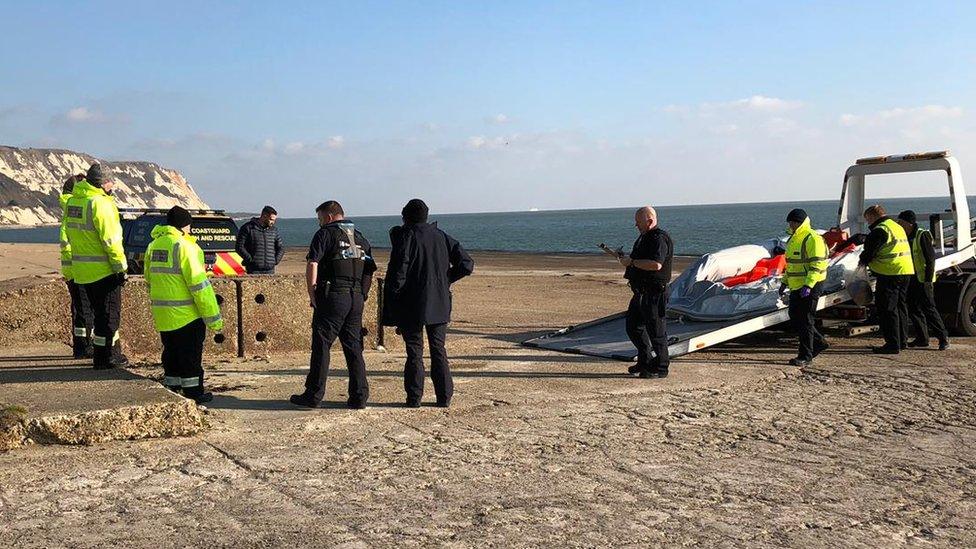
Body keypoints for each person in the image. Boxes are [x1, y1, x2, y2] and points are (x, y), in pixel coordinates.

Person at [384, 199, 473, 408]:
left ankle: (414, 397)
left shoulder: (406, 236)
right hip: (439, 302)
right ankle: (444, 396)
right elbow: (466, 264)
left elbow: (399, 272)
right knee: (438, 349)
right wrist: (445, 280)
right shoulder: (441, 236)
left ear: (406, 216)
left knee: (414, 352)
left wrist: (393, 300)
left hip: (411, 303)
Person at [290, 201, 376, 409]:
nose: (319, 223)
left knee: (321, 344)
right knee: (353, 346)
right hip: (355, 297)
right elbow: (369, 269)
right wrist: (362, 294)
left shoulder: (325, 234)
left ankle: (313, 394)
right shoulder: (360, 237)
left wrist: (312, 293)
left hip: (333, 295)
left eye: (319, 218)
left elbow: (313, 263)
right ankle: (359, 396)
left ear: (328, 217)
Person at [145, 206, 224, 404]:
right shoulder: (186, 247)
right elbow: (199, 287)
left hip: (163, 313)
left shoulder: (153, 246)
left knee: (170, 353)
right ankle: (194, 393)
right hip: (187, 314)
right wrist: (214, 319)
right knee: (190, 356)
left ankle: (172, 388)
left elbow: (149, 278)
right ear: (185, 225)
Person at [63, 164, 129, 369]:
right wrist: (121, 269)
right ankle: (107, 357)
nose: (113, 185)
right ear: (103, 183)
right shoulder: (101, 204)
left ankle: (101, 357)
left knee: (98, 317)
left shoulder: (74, 202)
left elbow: (71, 235)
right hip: (103, 271)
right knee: (109, 318)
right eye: (111, 182)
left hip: (82, 271)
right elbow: (111, 241)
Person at [621, 206, 674, 378]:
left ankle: (661, 367)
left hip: (654, 292)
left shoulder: (659, 238)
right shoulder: (644, 237)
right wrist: (627, 260)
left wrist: (632, 262)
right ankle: (645, 359)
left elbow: (656, 264)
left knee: (656, 331)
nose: (636, 226)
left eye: (638, 222)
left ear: (649, 221)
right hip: (641, 292)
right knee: (633, 327)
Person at [859, 204, 915, 354]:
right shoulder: (896, 227)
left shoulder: (880, 230)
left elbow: (869, 254)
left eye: (867, 220)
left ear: (872, 216)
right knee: (900, 307)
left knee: (887, 309)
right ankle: (902, 341)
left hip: (889, 273)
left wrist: (860, 263)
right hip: (905, 271)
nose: (868, 223)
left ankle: (892, 344)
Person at [779, 209, 829, 366]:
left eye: (793, 222)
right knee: (795, 317)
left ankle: (805, 356)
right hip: (797, 285)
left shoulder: (812, 238)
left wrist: (808, 284)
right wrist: (784, 282)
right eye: (790, 223)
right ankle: (819, 342)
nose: (791, 225)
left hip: (811, 285)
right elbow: (791, 264)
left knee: (805, 320)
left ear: (799, 223)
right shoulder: (794, 239)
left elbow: (818, 264)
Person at [897, 210, 950, 350]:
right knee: (913, 309)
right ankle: (922, 338)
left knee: (929, 309)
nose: (899, 225)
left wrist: (928, 281)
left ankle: (943, 338)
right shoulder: (904, 236)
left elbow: (930, 259)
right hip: (910, 278)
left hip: (923, 279)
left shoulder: (922, 234)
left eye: (901, 223)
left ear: (909, 223)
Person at [60, 174, 94, 359]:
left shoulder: (67, 209)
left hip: (71, 269)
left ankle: (81, 345)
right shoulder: (76, 209)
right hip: (80, 268)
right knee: (84, 310)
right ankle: (83, 347)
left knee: (80, 309)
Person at [235, 205, 284, 274]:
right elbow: (239, 246)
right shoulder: (248, 228)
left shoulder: (274, 230)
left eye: (274, 220)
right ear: (264, 216)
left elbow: (280, 247)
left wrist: (275, 261)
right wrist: (249, 259)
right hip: (253, 269)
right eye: (271, 219)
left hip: (270, 269)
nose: (273, 222)